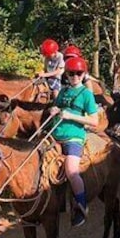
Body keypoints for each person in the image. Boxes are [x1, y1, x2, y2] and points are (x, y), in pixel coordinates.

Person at [49, 56, 101, 228]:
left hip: (74, 136)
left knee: (71, 171)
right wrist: (54, 109)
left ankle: (81, 205)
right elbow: (57, 107)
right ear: (67, 74)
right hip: (55, 133)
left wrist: (71, 115)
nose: (75, 76)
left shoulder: (86, 94)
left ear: (83, 74)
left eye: (79, 73)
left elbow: (94, 121)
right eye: (71, 73)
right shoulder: (63, 91)